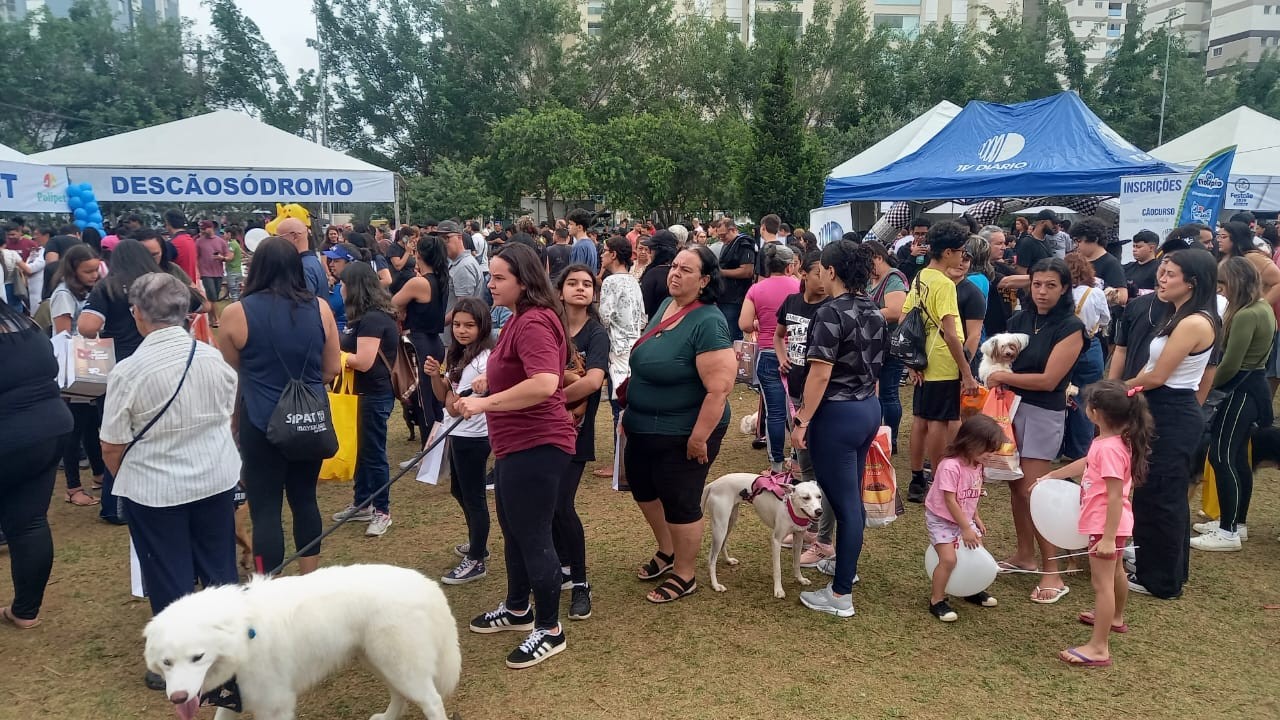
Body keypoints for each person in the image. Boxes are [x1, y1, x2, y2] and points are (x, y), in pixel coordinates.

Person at [98, 272, 240, 689]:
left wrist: (128, 477)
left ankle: (177, 660)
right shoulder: (212, 358)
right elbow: (228, 416)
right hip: (214, 477)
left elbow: (111, 443)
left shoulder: (130, 370)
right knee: (218, 565)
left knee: (168, 572)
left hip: (155, 489)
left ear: (138, 314)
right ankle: (225, 649)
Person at [456, 243, 577, 669]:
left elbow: (545, 382)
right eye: (490, 276)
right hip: (514, 445)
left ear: (523, 281)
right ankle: (517, 608)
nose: (490, 283)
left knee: (533, 534)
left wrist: (484, 404)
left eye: (498, 277)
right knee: (513, 529)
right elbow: (526, 371)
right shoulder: (518, 319)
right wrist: (490, 381)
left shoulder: (534, 322)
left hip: (538, 445)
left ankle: (549, 629)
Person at [217, 237, 342, 577]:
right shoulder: (320, 308)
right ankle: (310, 580)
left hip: (259, 421)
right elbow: (332, 369)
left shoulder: (235, 313)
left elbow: (230, 375)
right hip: (309, 420)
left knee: (265, 510)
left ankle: (267, 585)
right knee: (305, 501)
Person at [624, 245, 735, 605]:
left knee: (680, 499)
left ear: (704, 281)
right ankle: (667, 548)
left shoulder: (709, 322)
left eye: (686, 270)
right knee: (642, 488)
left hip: (685, 430)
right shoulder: (667, 306)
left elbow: (719, 389)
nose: (675, 273)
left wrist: (699, 437)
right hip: (644, 425)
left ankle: (685, 574)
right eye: (674, 266)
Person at [789, 241, 885, 618]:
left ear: (830, 271)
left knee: (846, 506)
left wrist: (802, 420)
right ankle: (846, 570)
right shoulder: (873, 309)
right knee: (850, 500)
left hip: (837, 415)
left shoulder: (829, 312)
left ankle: (841, 593)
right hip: (866, 409)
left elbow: (820, 372)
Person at [79, 240, 202, 524]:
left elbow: (87, 326)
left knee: (118, 436)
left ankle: (114, 504)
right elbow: (200, 304)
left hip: (124, 366)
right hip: (169, 362)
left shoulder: (107, 287)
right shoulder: (165, 282)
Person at [984, 258, 1085, 602]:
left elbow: (1049, 380)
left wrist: (1003, 377)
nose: (1042, 291)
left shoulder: (1071, 327)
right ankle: (1024, 556)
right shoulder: (1021, 319)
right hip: (1010, 410)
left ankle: (1053, 571)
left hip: (1044, 413)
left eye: (1051, 285)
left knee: (1035, 491)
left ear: (1065, 288)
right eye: (1037, 283)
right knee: (1016, 487)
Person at [1122, 248, 1219, 598]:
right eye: (1161, 272)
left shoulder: (1194, 321)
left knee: (1161, 494)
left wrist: (1118, 389)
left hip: (1172, 409)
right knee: (1155, 492)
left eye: (1170, 274)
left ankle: (1160, 579)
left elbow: (1159, 375)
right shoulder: (1181, 315)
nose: (1161, 280)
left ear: (1191, 283)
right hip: (1165, 407)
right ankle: (1161, 565)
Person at [1041, 380, 1152, 667]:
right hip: (1114, 524)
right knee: (1115, 574)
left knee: (1101, 585)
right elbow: (1086, 464)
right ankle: (1115, 618)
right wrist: (1054, 475)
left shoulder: (1109, 448)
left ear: (1094, 412)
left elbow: (1115, 496)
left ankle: (1099, 647)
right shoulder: (1111, 442)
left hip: (1106, 525)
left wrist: (1106, 537)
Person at [0, 299, 73, 629]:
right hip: (49, 429)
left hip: (13, 434)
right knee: (30, 522)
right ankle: (26, 611)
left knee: (27, 523)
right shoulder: (24, 325)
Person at [1193, 257, 1274, 552]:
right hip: (1253, 390)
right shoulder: (1262, 308)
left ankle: (1227, 531)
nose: (1221, 290)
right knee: (1238, 458)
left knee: (1222, 456)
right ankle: (1235, 523)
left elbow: (1230, 364)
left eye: (1224, 284)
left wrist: (1207, 383)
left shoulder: (1246, 315)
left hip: (1240, 392)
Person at [903, 221, 979, 504]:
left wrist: (911, 362)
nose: (962, 257)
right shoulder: (945, 284)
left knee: (922, 419)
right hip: (943, 360)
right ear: (948, 252)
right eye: (961, 251)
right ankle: (937, 482)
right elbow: (950, 333)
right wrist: (967, 372)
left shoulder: (921, 276)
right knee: (939, 422)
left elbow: (905, 319)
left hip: (923, 356)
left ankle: (916, 477)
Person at [553, 265, 609, 621]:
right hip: (542, 428)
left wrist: (550, 396)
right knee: (548, 504)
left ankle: (581, 582)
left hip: (575, 428)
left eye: (587, 284)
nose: (580, 288)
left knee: (562, 503)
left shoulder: (596, 334)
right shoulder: (550, 327)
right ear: (559, 290)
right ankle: (562, 565)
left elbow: (592, 383)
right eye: (572, 283)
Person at [426, 298, 494, 584]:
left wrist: (452, 398)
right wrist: (434, 375)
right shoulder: (457, 354)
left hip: (475, 435)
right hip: (457, 432)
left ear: (482, 326)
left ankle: (476, 557)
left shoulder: (485, 358)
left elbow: (453, 406)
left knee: (473, 496)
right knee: (459, 490)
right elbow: (445, 395)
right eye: (457, 324)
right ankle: (477, 541)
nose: (462, 330)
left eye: (469, 325)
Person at [331, 262, 400, 537]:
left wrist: (338, 357)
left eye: (343, 283)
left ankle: (382, 510)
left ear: (355, 287)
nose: (340, 288)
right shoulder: (361, 318)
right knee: (361, 450)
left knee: (374, 454)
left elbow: (364, 361)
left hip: (374, 394)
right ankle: (362, 503)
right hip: (359, 394)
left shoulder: (373, 319)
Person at [777, 252, 834, 567]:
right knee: (805, 463)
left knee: (825, 470)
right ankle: (811, 527)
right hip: (795, 393)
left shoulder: (830, 309)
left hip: (820, 398)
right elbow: (778, 335)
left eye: (825, 273)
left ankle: (824, 538)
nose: (822, 280)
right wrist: (781, 354)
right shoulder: (791, 302)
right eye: (816, 274)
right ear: (803, 273)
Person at [924, 414, 1006, 622]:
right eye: (988, 449)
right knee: (949, 559)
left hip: (963, 517)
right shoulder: (950, 466)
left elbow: (973, 492)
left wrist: (975, 517)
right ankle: (937, 600)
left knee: (974, 552)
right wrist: (966, 527)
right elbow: (950, 500)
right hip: (942, 519)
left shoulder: (977, 464)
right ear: (971, 443)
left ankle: (971, 588)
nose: (991, 454)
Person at [49, 245, 104, 506]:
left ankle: (99, 475)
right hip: (72, 369)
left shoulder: (91, 290)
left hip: (90, 365)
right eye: (88, 271)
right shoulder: (63, 294)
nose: (94, 275)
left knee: (91, 423)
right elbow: (63, 336)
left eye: (96, 269)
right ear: (73, 270)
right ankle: (73, 488)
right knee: (74, 429)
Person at [741, 243, 800, 473]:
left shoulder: (756, 289)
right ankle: (796, 457)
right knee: (797, 408)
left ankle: (776, 462)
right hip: (795, 351)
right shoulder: (799, 286)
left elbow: (744, 324)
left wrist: (760, 322)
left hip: (767, 352)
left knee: (774, 411)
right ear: (789, 266)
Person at [393, 234, 451, 463]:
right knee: (432, 398)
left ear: (419, 254)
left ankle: (429, 455)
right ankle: (433, 452)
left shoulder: (419, 282)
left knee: (424, 401)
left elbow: (392, 304)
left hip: (418, 343)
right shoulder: (441, 280)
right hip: (434, 342)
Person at [595, 236, 647, 478]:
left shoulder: (611, 282)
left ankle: (619, 463)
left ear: (614, 254)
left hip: (617, 347)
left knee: (618, 402)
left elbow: (604, 316)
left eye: (605, 251)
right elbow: (643, 316)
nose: (602, 255)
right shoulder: (633, 281)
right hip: (635, 344)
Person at [1060, 253, 1111, 461]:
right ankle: (1080, 449)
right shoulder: (1095, 293)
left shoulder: (1061, 294)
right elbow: (1105, 318)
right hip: (1090, 346)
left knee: (1059, 395)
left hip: (1062, 347)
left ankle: (1056, 447)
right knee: (1086, 397)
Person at [717, 219, 756, 341]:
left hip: (735, 298)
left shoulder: (744, 244)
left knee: (732, 334)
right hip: (725, 296)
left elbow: (747, 271)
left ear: (733, 230)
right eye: (719, 236)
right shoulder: (728, 245)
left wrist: (721, 272)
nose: (721, 239)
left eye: (723, 235)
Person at [438, 221, 483, 319]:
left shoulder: (464, 266)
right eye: (440, 240)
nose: (443, 243)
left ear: (459, 237)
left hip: (455, 331)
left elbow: (463, 307)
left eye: (446, 238)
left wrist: (438, 325)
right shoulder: (457, 263)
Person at [278, 217, 327, 298]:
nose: (278, 242)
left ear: (295, 236)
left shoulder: (301, 268)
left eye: (280, 237)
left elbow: (304, 304)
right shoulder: (313, 260)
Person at [195, 221, 229, 326]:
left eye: (204, 229)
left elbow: (227, 255)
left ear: (211, 228)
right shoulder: (199, 242)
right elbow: (195, 258)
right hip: (206, 273)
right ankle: (216, 319)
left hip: (218, 272)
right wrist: (197, 271)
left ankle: (210, 318)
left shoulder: (221, 241)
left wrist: (222, 258)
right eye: (201, 229)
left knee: (214, 297)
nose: (203, 231)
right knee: (212, 297)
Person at [639, 230, 678, 318]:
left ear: (658, 251)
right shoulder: (679, 272)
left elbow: (643, 306)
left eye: (651, 249)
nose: (649, 253)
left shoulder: (653, 274)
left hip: (657, 323)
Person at [163, 209, 199, 282]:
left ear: (167, 223)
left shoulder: (173, 243)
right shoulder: (190, 240)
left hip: (178, 286)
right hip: (190, 285)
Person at [894, 218, 932, 285]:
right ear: (912, 233)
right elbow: (900, 272)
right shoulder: (904, 249)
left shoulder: (934, 249)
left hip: (929, 284)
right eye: (917, 234)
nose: (920, 237)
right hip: (910, 286)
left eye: (923, 234)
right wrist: (912, 256)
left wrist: (930, 253)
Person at [567, 208, 599, 273]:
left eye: (571, 224)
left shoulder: (579, 247)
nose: (568, 226)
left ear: (579, 227)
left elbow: (576, 272)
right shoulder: (591, 243)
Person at [224, 226, 244, 302]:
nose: (223, 235)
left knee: (234, 293)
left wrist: (221, 258)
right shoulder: (236, 243)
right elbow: (241, 251)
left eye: (225, 233)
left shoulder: (231, 244)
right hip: (238, 270)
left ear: (229, 234)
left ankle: (235, 308)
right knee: (237, 292)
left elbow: (230, 257)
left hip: (232, 271)